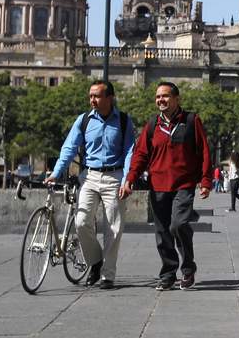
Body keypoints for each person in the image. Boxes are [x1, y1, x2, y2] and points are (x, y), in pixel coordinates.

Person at [120, 82, 211, 291]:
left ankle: (188, 268)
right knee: (162, 232)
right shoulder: (152, 125)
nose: (161, 100)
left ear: (177, 99)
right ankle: (169, 273)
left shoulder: (191, 120)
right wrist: (130, 179)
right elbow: (141, 154)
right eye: (158, 97)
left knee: (178, 225)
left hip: (184, 184)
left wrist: (205, 181)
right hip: (158, 184)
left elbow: (204, 151)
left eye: (165, 96)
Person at [47, 80, 135, 290]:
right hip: (90, 176)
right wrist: (56, 172)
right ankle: (95, 261)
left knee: (113, 227)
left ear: (110, 98)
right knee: (81, 221)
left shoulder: (123, 120)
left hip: (115, 176)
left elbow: (130, 151)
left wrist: (127, 179)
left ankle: (107, 275)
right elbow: (69, 147)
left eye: (96, 96)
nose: (92, 100)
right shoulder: (84, 120)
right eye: (90, 96)